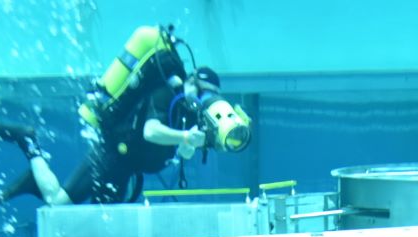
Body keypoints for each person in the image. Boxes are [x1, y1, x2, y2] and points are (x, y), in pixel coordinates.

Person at [30, 25, 253, 206]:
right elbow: (151, 131)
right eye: (202, 91)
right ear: (192, 81)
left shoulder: (191, 113)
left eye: (209, 96)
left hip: (126, 166)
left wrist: (191, 143)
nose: (203, 98)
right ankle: (30, 145)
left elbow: (183, 152)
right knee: (58, 201)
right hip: (112, 154)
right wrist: (185, 137)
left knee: (105, 225)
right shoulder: (166, 92)